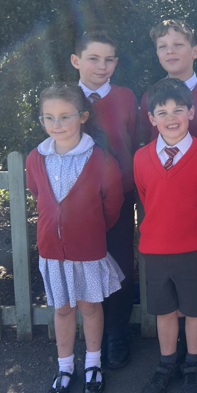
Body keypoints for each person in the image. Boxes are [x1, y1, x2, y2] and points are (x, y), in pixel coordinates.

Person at [139, 19, 197, 364]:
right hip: (163, 204)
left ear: (194, 51)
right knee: (167, 274)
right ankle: (174, 344)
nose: (170, 51)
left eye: (177, 44)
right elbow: (146, 149)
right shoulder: (150, 98)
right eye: (163, 46)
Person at [26, 84, 124, 393]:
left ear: (82, 116)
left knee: (90, 307)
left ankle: (93, 364)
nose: (57, 124)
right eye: (49, 117)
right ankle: (65, 367)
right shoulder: (36, 158)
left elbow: (112, 204)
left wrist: (90, 230)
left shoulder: (100, 159)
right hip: (52, 252)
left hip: (88, 250)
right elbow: (38, 194)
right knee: (63, 309)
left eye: (65, 116)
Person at [134, 78, 197, 393]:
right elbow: (147, 198)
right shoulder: (141, 158)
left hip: (193, 247)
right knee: (164, 310)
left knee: (195, 310)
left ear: (191, 112)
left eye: (178, 110)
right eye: (162, 112)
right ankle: (166, 364)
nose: (171, 117)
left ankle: (193, 365)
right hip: (155, 249)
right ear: (151, 118)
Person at [70, 30, 138, 369]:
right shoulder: (65, 99)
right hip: (77, 201)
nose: (102, 66)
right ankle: (92, 333)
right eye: (93, 58)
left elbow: (134, 141)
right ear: (76, 60)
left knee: (121, 262)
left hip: (120, 195)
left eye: (109, 59)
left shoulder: (125, 97)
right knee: (86, 263)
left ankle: (116, 332)